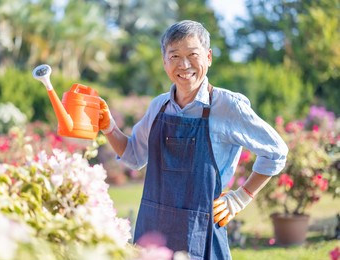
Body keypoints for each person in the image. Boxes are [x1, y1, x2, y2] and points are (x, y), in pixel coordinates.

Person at [98, 20, 288, 260]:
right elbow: (135, 155)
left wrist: (240, 198)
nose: (184, 64)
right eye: (174, 55)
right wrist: (109, 127)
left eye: (192, 54)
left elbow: (276, 151)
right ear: (164, 62)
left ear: (208, 57)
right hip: (153, 233)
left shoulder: (227, 106)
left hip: (201, 233)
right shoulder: (158, 106)